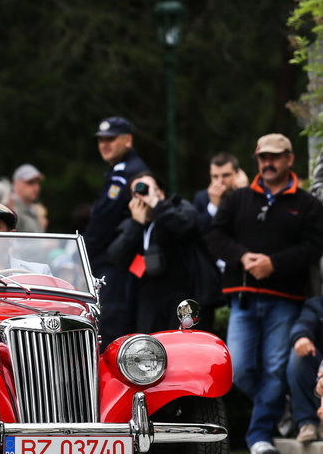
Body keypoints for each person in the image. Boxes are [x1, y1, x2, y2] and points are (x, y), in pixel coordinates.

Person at [207, 133, 323, 454]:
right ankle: (277, 409)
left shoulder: (307, 204)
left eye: (274, 157)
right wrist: (243, 257)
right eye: (262, 158)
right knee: (239, 368)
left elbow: (313, 247)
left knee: (274, 369)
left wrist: (275, 263)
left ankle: (259, 435)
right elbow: (215, 236)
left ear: (289, 159)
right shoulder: (237, 198)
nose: (268, 164)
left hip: (285, 298)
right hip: (242, 298)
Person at [107, 172, 214, 333]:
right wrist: (136, 224)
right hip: (147, 303)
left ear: (161, 192)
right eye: (136, 193)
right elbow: (116, 257)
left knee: (182, 349)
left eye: (147, 189)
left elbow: (187, 227)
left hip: (183, 298)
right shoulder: (132, 225)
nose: (142, 195)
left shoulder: (179, 208)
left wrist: (157, 205)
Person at [83, 116, 149, 348]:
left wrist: (83, 255)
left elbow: (103, 222)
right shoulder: (122, 170)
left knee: (112, 335)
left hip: (116, 266)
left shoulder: (127, 173)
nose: (104, 144)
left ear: (127, 140)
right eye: (101, 140)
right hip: (117, 263)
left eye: (111, 139)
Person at [285, 296, 323, 443]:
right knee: (299, 354)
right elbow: (303, 324)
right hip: (318, 365)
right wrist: (301, 337)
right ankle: (307, 423)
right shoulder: (317, 305)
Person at [195, 152, 240, 230]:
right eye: (215, 176)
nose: (220, 181)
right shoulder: (201, 198)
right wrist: (213, 206)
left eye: (226, 175)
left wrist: (242, 192)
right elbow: (199, 232)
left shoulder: (248, 194)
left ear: (237, 174)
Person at [10, 164, 46, 233]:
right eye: (30, 182)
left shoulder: (33, 211)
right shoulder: (11, 210)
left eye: (37, 182)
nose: (36, 187)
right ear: (16, 184)